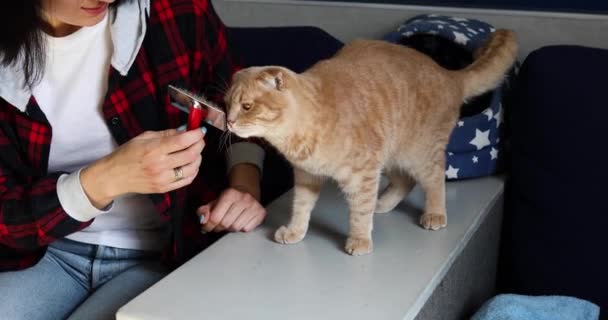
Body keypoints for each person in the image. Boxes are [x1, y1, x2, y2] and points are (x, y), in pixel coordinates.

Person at [0, 0, 267, 319]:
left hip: (164, 254)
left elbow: (249, 109)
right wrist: (104, 180)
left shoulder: (177, 12)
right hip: (45, 253)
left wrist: (245, 186)